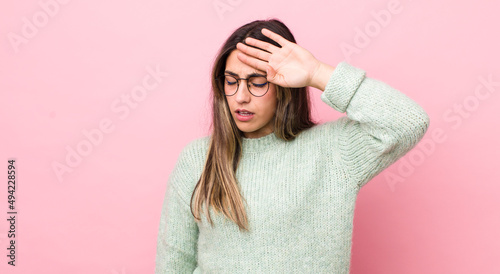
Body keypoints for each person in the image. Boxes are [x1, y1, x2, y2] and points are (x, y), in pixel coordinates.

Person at [155, 18, 430, 273]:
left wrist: (316, 73)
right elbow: (173, 264)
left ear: (284, 87)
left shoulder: (333, 150)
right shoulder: (197, 158)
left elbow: (407, 122)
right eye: (231, 81)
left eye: (257, 82)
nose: (240, 97)